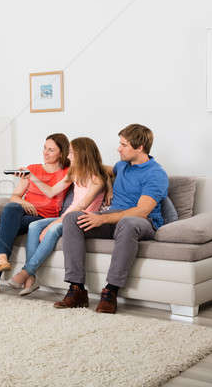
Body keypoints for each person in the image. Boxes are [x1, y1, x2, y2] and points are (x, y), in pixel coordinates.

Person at [54, 124, 168, 314]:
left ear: (139, 148)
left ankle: (111, 291)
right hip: (113, 218)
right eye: (120, 143)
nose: (118, 148)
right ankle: (77, 289)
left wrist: (103, 220)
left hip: (142, 222)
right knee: (72, 218)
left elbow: (141, 211)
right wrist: (106, 184)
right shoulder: (122, 166)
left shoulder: (155, 174)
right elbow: (99, 168)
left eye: (124, 145)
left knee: (127, 222)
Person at [9, 137, 111, 296]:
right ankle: (31, 277)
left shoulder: (97, 179)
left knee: (52, 230)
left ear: (82, 154)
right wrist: (32, 177)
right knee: (34, 226)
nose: (68, 157)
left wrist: (54, 223)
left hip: (82, 218)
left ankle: (26, 271)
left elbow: (81, 206)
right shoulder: (75, 172)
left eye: (71, 153)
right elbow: (51, 191)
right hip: (69, 214)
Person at [0, 133, 71, 294]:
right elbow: (15, 196)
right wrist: (24, 202)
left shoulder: (68, 172)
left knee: (5, 224)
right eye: (44, 148)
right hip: (23, 213)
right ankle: (2, 259)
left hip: (43, 218)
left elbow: (97, 168)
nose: (45, 153)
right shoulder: (33, 169)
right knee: (10, 208)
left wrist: (110, 188)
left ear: (62, 153)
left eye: (51, 150)